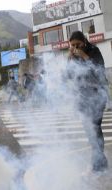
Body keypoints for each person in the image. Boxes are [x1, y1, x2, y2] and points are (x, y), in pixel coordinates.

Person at [66, 31, 109, 172]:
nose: (75, 47)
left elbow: (99, 71)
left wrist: (84, 56)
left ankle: (98, 162)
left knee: (95, 128)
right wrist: (69, 59)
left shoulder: (94, 50)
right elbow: (69, 75)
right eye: (72, 45)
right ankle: (99, 158)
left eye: (77, 44)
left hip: (97, 95)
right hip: (82, 97)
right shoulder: (73, 56)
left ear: (84, 41)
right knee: (89, 130)